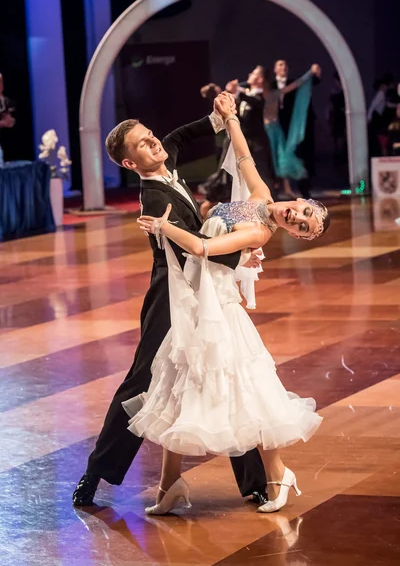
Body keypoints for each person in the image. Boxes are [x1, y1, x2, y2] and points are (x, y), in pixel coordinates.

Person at [124, 92, 329, 516]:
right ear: (300, 200)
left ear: (300, 235)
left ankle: (278, 475)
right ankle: (169, 487)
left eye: (304, 227)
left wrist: (165, 227)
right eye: (304, 211)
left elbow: (202, 248)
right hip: (199, 303)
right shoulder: (259, 195)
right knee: (183, 386)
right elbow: (243, 155)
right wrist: (230, 115)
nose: (297, 217)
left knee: (242, 390)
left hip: (218, 310)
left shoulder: (259, 234)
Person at [72, 104, 266, 507]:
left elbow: (176, 137)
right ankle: (96, 473)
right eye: (143, 143)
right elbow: (194, 249)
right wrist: (240, 253)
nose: (154, 142)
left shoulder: (165, 159)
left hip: (201, 285)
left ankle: (256, 482)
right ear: (130, 162)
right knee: (143, 382)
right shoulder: (153, 200)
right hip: (171, 294)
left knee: (222, 369)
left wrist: (216, 118)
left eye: (149, 134)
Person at [263, 64, 321, 199]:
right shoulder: (258, 93)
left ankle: (290, 188)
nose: (284, 67)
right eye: (280, 65)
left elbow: (295, 85)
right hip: (265, 130)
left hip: (277, 129)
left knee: (282, 158)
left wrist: (309, 74)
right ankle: (275, 190)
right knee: (271, 159)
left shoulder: (275, 92)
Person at [225, 65, 276, 194]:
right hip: (246, 140)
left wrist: (238, 90)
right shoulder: (246, 93)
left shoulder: (261, 95)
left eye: (253, 73)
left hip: (257, 142)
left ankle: (270, 202)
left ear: (260, 79)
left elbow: (255, 102)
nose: (249, 74)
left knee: (263, 171)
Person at [198, 83, 232, 217]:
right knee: (221, 178)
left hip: (226, 144)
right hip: (227, 144)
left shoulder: (218, 105)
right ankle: (200, 225)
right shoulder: (221, 105)